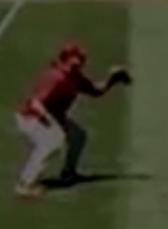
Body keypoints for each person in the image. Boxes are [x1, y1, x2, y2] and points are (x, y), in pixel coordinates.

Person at [13, 42, 130, 199]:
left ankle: (69, 173)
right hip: (31, 118)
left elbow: (96, 91)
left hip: (53, 118)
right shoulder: (56, 77)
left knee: (78, 136)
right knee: (51, 142)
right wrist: (52, 124)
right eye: (75, 60)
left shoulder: (75, 78)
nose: (78, 64)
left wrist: (112, 79)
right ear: (65, 59)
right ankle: (24, 184)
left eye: (80, 60)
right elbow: (36, 103)